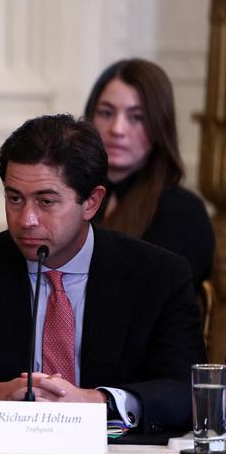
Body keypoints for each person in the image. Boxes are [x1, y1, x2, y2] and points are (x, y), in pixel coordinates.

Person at [0, 114, 203, 433]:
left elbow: (186, 389)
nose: (27, 219)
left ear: (91, 202)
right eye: (14, 199)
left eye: (46, 202)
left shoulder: (159, 276)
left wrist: (98, 402)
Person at [85, 58, 214, 293]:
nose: (117, 129)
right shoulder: (74, 196)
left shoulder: (182, 213)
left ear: (159, 127)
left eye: (137, 117)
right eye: (106, 113)